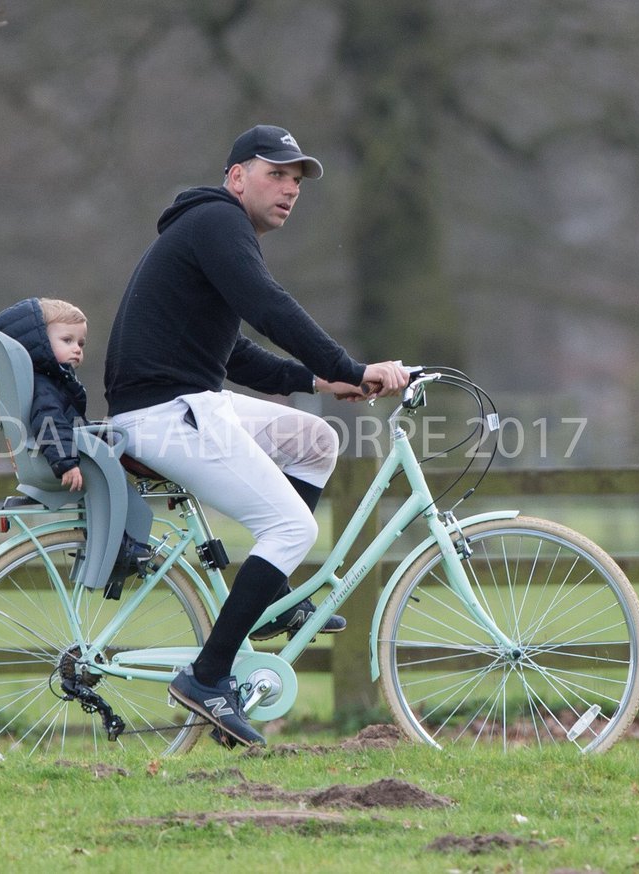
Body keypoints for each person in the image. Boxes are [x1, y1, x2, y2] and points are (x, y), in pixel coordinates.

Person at [104, 124, 410, 747]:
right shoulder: (219, 222)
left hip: (186, 402)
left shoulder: (211, 230)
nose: (289, 189)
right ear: (237, 176)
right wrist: (351, 367)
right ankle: (208, 678)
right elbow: (270, 307)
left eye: (296, 181)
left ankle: (273, 598)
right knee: (292, 528)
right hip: (165, 413)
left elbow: (234, 354)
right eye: (276, 174)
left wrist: (320, 380)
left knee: (314, 441)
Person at [0, 297, 89, 491]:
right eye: (67, 340)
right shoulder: (43, 385)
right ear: (42, 341)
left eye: (81, 343)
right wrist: (66, 461)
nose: (77, 348)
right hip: (62, 460)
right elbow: (49, 421)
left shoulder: (54, 380)